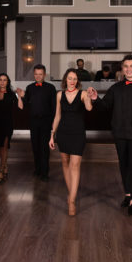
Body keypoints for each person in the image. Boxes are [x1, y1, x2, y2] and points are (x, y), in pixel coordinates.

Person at [87, 55, 132, 215]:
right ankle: (128, 194)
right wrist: (95, 98)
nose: (129, 69)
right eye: (126, 66)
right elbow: (105, 106)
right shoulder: (115, 88)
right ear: (122, 69)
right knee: (123, 164)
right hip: (120, 132)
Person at [48, 68, 93, 215]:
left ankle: (72, 201)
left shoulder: (83, 94)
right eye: (70, 78)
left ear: (77, 81)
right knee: (65, 162)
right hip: (63, 133)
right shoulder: (59, 95)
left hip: (78, 133)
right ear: (65, 80)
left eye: (74, 78)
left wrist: (89, 98)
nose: (72, 81)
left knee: (75, 165)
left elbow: (89, 108)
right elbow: (57, 116)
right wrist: (52, 135)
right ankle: (71, 194)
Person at [17, 64, 56, 182]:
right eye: (36, 74)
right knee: (35, 146)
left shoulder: (51, 88)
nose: (38, 76)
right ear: (34, 74)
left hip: (46, 121)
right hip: (33, 121)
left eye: (40, 74)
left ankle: (45, 172)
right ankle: (37, 169)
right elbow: (24, 105)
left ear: (44, 75)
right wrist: (20, 96)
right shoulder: (30, 88)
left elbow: (54, 107)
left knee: (44, 147)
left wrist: (53, 123)